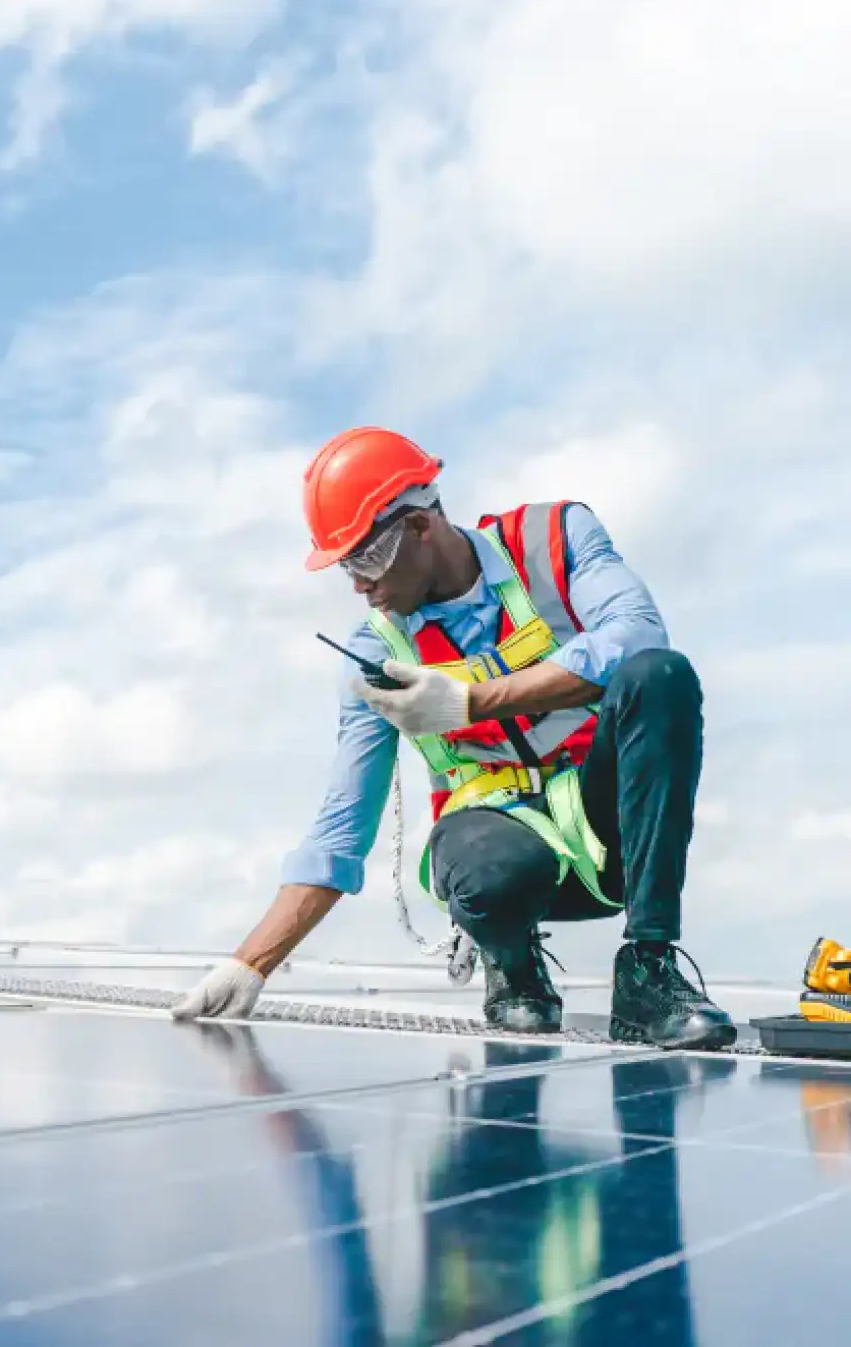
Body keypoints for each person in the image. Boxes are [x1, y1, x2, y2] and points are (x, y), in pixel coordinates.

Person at [172, 427, 736, 1050]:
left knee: (659, 678)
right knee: (490, 870)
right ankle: (515, 970)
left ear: (419, 527)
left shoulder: (556, 540)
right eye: (345, 568)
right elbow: (343, 825)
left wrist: (470, 700)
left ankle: (649, 970)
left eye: (364, 558)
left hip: (610, 844)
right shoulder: (372, 655)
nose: (359, 586)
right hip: (499, 866)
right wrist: (251, 962)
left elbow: (639, 637)